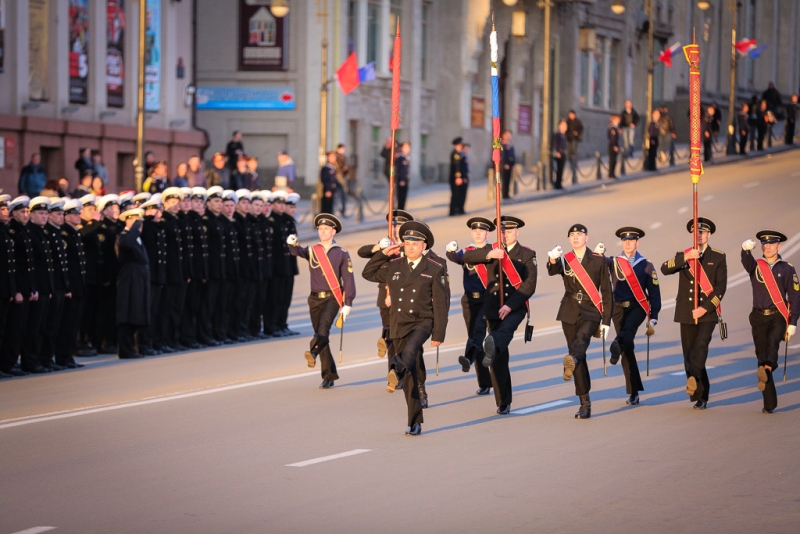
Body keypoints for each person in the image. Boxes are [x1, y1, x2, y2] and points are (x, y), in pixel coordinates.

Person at [362, 221, 449, 436]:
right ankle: (414, 421)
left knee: (410, 351)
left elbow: (441, 303)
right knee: (411, 376)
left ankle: (396, 370)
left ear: (424, 245)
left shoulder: (435, 268)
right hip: (399, 323)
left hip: (422, 321)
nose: (410, 247)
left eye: (415, 243)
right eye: (407, 243)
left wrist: (438, 333)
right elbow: (368, 273)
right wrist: (384, 253)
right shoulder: (394, 266)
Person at [461, 216, 537, 414]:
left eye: (509, 232)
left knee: (502, 334)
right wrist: (489, 256)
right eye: (502, 232)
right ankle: (503, 401)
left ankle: (491, 342)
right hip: (494, 306)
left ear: (517, 232)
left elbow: (530, 285)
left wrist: (511, 305)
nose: (505, 235)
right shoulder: (492, 249)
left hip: (516, 306)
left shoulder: (527, 254)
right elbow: (466, 258)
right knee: (499, 356)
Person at [661, 217, 727, 410]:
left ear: (709, 234)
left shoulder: (718, 257)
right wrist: (686, 258)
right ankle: (701, 394)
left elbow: (720, 287)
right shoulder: (684, 255)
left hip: (707, 312)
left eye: (702, 232)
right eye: (695, 232)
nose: (698, 235)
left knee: (700, 346)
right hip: (686, 311)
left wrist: (704, 308)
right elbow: (665, 268)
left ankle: (692, 377)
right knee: (689, 353)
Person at [547, 224, 612, 419]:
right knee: (577, 354)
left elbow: (607, 293)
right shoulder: (566, 259)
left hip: (591, 311)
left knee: (581, 341)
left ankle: (572, 360)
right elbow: (552, 270)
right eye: (572, 235)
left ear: (587, 238)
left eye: (579, 234)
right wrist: (552, 258)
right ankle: (585, 401)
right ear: (569, 239)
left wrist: (606, 321)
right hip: (569, 310)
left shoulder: (598, 261)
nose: (576, 238)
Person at [288, 213, 356, 388]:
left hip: (332, 299)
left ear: (333, 231)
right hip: (314, 299)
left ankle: (313, 352)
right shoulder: (313, 250)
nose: (323, 232)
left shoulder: (341, 253)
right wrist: (292, 243)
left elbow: (348, 279)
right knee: (320, 334)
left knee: (323, 331)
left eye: (326, 229)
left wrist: (348, 302)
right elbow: (298, 251)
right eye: (320, 229)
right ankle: (329, 375)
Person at [741, 231, 799, 414]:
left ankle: (767, 367)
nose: (767, 247)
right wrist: (745, 250)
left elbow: (795, 296)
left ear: (778, 246)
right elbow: (746, 261)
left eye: (771, 244)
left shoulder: (787, 268)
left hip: (778, 316)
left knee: (773, 344)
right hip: (758, 316)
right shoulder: (756, 266)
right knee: (762, 356)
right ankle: (769, 403)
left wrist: (793, 322)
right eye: (763, 244)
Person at [603, 227, 661, 406]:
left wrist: (654, 315)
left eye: (631, 240)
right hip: (617, 309)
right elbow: (599, 262)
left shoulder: (646, 265)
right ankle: (634, 392)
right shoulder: (614, 262)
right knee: (628, 350)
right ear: (622, 243)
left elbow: (654, 292)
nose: (628, 243)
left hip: (637, 307)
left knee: (628, 331)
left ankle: (617, 344)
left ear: (637, 242)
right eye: (624, 240)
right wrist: (597, 254)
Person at [358, 209, 413, 383]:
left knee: (403, 338)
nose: (396, 228)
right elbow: (362, 251)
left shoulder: (412, 244)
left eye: (400, 224)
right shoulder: (387, 243)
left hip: (406, 298)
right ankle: (394, 375)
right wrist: (380, 248)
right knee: (392, 340)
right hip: (386, 298)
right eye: (394, 225)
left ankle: (403, 370)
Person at [445, 217, 493, 395]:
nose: (478, 233)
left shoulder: (494, 250)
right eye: (475, 231)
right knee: (476, 336)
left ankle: (468, 358)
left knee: (489, 339)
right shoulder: (466, 251)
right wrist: (450, 250)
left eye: (481, 231)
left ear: (487, 233)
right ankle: (484, 381)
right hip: (471, 301)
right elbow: (456, 257)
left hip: (490, 300)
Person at [4, 197, 41, 374]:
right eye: (22, 212)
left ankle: (12, 361)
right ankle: (8, 362)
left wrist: (33, 288)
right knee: (13, 328)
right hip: (17, 287)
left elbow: (30, 265)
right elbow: (14, 267)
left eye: (27, 212)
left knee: (22, 328)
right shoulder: (11, 232)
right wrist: (16, 290)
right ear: (14, 214)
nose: (25, 215)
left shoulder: (24, 232)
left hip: (26, 287)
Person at [26, 197, 58, 371]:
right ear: (32, 215)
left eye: (46, 213)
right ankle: (31, 361)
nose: (44, 216)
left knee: (44, 327)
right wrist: (35, 288)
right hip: (36, 288)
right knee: (34, 328)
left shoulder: (43, 232)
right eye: (40, 213)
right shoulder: (30, 233)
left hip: (46, 288)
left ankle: (41, 359)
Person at [55, 199, 87, 368]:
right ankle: (63, 356)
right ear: (67, 217)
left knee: (73, 324)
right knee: (66, 325)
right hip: (71, 287)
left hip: (78, 286)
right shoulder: (65, 234)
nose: (78, 216)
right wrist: (68, 287)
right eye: (74, 214)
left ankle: (68, 356)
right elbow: (65, 265)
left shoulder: (74, 233)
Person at [116, 208, 150, 359]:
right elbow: (126, 244)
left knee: (137, 313)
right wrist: (134, 228)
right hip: (129, 280)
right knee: (127, 315)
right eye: (136, 222)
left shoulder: (137, 237)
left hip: (138, 280)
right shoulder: (124, 236)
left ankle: (134, 347)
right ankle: (125, 349)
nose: (139, 227)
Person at [41, 198, 70, 370]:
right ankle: (44, 358)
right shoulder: (47, 233)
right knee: (48, 325)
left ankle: (50, 358)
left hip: (59, 286)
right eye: (58, 214)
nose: (62, 217)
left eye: (62, 214)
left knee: (56, 325)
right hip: (51, 286)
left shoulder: (58, 233)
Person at [159, 188, 189, 351]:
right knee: (166, 309)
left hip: (178, 272)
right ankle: (163, 339)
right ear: (164, 204)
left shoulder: (177, 221)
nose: (176, 206)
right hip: (169, 272)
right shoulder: (163, 221)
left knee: (176, 308)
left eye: (178, 203)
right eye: (172, 202)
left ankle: (173, 338)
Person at [139, 194, 167, 355]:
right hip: (149, 277)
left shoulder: (158, 228)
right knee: (147, 312)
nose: (159, 214)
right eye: (155, 211)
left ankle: (153, 342)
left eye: (159, 210)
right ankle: (144, 343)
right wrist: (147, 217)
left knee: (155, 312)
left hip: (158, 276)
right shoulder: (147, 227)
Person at [202, 186, 228, 345]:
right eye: (216, 201)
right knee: (208, 306)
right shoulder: (207, 221)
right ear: (208, 203)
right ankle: (206, 334)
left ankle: (218, 333)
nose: (219, 204)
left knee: (220, 305)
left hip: (221, 270)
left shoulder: (221, 221)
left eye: (221, 201)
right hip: (211, 270)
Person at [0, 195, 19, 377]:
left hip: (6, 289)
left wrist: (13, 290)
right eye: (2, 209)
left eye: (6, 209)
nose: (6, 213)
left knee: (4, 328)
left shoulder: (5, 231)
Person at [220, 190, 241, 342]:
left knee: (233, 304)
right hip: (224, 271)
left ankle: (231, 332)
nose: (229, 208)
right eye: (226, 205)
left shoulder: (232, 224)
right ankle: (222, 333)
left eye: (231, 205)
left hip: (233, 270)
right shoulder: (221, 224)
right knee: (223, 305)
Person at [448, 137, 466, 216]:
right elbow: (457, 166)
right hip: (454, 178)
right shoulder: (455, 153)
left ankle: (458, 209)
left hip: (458, 178)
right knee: (455, 194)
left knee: (459, 194)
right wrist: (458, 177)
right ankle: (452, 211)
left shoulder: (459, 153)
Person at [566, 110, 584, 183]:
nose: (571, 116)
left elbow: (581, 128)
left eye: (572, 115)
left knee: (574, 150)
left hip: (575, 138)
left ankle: (574, 163)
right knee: (570, 151)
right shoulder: (568, 121)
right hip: (569, 138)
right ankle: (571, 163)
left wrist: (577, 133)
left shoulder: (577, 121)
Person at [334, 144, 350, 216]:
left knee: (343, 194)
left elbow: (346, 167)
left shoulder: (344, 157)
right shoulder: (335, 156)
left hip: (343, 177)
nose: (343, 150)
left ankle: (343, 210)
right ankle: (335, 209)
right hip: (337, 177)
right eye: (342, 149)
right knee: (336, 194)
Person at [395, 142, 411, 210]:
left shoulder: (406, 157)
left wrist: (407, 180)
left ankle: (402, 210)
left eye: (408, 147)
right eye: (406, 147)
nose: (408, 149)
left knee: (404, 197)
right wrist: (401, 179)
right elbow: (399, 169)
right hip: (401, 180)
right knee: (401, 197)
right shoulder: (400, 157)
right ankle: (400, 212)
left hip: (405, 179)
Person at [500, 130, 516, 199]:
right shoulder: (500, 143)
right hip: (504, 165)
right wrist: (504, 163)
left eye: (510, 135)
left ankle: (507, 193)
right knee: (504, 180)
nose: (509, 136)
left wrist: (513, 164)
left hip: (510, 164)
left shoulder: (510, 144)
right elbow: (501, 155)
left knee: (508, 180)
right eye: (507, 135)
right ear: (504, 135)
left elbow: (513, 155)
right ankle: (504, 194)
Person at [553, 120, 568, 190]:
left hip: (563, 153)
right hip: (559, 153)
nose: (565, 127)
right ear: (560, 126)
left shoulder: (564, 135)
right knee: (558, 169)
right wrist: (557, 152)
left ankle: (560, 183)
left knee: (562, 169)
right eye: (564, 125)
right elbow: (556, 144)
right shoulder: (557, 135)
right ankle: (557, 184)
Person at [607, 114, 621, 179]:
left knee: (614, 160)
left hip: (614, 144)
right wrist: (615, 146)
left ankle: (612, 173)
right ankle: (611, 174)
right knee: (612, 160)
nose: (619, 120)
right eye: (617, 119)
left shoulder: (615, 127)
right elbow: (613, 138)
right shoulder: (612, 128)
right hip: (613, 145)